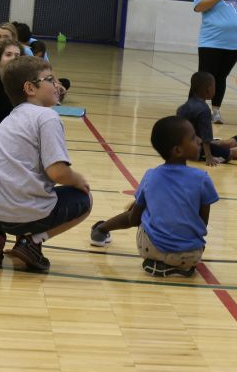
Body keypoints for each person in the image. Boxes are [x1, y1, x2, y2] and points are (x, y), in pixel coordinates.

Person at [0, 56, 92, 272]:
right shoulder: (47, 117)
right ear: (30, 88)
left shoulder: (10, 117)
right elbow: (57, 172)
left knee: (21, 188)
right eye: (50, 79)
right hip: (21, 213)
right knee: (84, 199)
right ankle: (31, 243)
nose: (58, 85)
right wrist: (78, 180)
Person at [89, 116, 219, 277]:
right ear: (178, 150)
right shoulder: (202, 178)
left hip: (152, 249)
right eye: (193, 138)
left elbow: (133, 220)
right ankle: (179, 266)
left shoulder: (151, 176)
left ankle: (101, 230)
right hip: (192, 255)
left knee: (141, 210)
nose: (199, 140)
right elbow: (202, 223)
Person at [177, 71, 221, 166]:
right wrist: (209, 157)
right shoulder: (204, 109)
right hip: (197, 148)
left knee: (218, 143)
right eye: (214, 86)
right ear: (209, 89)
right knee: (227, 153)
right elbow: (206, 137)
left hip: (181, 147)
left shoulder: (182, 107)